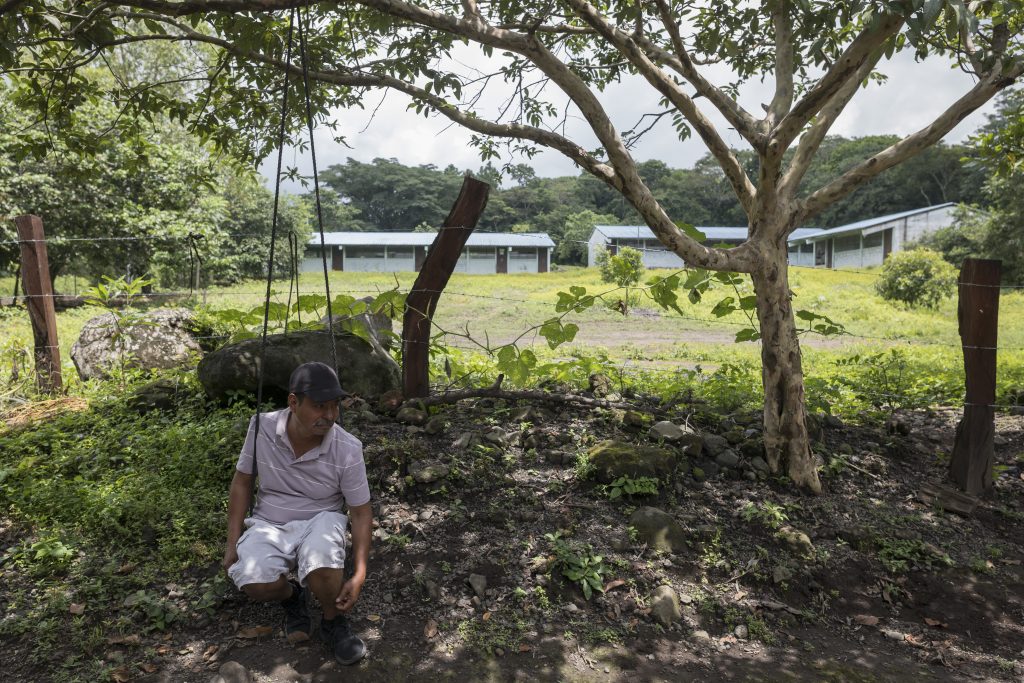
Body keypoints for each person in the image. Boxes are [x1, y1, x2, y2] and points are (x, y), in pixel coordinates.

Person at [222, 361, 373, 666]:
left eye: (334, 406)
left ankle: (332, 621)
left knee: (321, 559)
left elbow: (360, 513)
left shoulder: (347, 448)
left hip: (321, 518)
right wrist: (231, 543)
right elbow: (242, 482)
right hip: (269, 521)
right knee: (251, 579)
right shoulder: (261, 427)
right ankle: (292, 597)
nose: (329, 416)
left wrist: (359, 573)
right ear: (293, 402)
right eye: (319, 407)